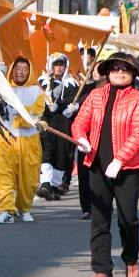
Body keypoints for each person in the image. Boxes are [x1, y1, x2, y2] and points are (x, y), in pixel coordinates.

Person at [71, 52, 139, 277]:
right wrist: (81, 139)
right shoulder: (95, 95)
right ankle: (102, 268)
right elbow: (79, 123)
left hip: (127, 168)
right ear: (107, 72)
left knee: (128, 219)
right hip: (96, 165)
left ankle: (131, 259)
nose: (119, 72)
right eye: (114, 69)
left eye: (124, 69)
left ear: (133, 73)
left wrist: (120, 160)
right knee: (99, 218)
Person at [0, 57, 48, 225]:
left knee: (29, 180)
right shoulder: (3, 88)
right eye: (18, 68)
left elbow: (36, 114)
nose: (21, 72)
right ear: (12, 70)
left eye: (24, 68)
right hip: (5, 138)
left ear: (30, 71)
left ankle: (24, 208)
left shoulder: (37, 92)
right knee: (4, 176)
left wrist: (21, 114)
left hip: (29, 140)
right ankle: (6, 211)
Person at [36, 54, 80, 201]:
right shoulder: (42, 82)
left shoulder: (72, 84)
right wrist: (45, 104)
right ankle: (46, 183)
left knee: (61, 154)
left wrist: (72, 109)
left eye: (61, 64)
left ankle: (54, 186)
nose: (59, 67)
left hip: (63, 123)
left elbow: (75, 101)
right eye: (56, 64)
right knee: (46, 150)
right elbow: (35, 102)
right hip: (46, 122)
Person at [74, 64, 106, 220]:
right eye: (93, 70)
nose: (95, 73)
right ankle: (86, 208)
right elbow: (76, 103)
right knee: (84, 174)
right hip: (86, 139)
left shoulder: (113, 89)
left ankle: (103, 205)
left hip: (104, 138)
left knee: (102, 174)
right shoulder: (86, 89)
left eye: (98, 70)